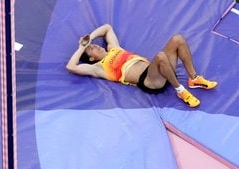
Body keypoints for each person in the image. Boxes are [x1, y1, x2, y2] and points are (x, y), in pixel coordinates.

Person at [66, 24, 217, 107]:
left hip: (161, 70)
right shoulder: (98, 68)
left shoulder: (114, 48)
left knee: (178, 39)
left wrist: (89, 38)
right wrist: (81, 48)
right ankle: (180, 90)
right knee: (160, 56)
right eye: (91, 48)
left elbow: (107, 27)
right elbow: (71, 66)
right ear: (91, 58)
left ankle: (194, 78)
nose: (96, 46)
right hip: (149, 81)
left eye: (94, 45)